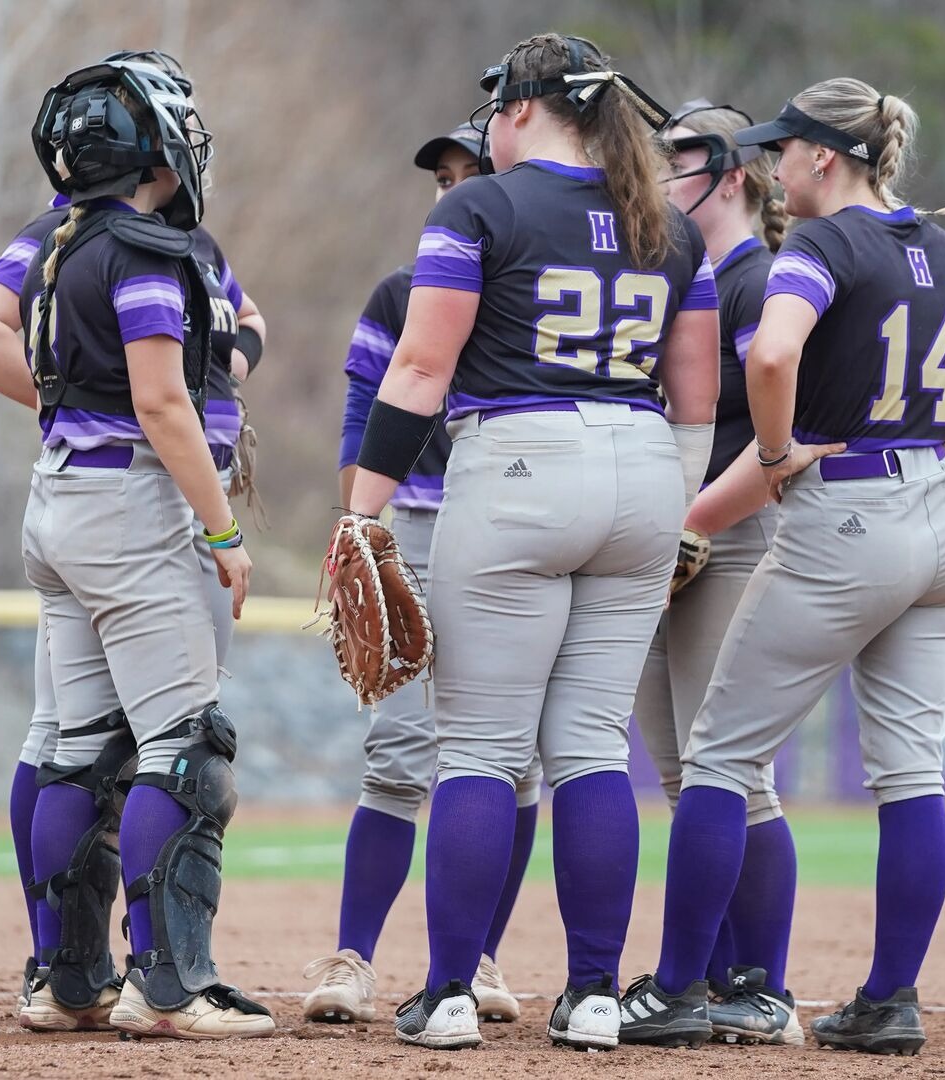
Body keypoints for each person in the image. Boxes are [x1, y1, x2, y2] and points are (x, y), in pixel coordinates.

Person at [618, 77, 945, 1054]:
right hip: (944, 510)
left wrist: (772, 454)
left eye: (785, 150)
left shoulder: (822, 243)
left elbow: (771, 359)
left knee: (718, 756)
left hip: (849, 513)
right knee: (910, 775)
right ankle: (889, 1000)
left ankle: (679, 988)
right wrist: (931, 425)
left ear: (824, 159)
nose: (774, 166)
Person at [340, 33, 718, 1051]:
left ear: (518, 110)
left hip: (517, 462)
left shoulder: (478, 208)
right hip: (643, 467)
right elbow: (697, 396)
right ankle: (595, 995)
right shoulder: (669, 227)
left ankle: (450, 994)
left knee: (479, 747)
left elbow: (420, 370)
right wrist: (675, 511)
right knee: (594, 748)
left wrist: (362, 510)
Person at [0, 51, 266, 1034]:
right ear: (152, 148)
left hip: (62, 497)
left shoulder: (59, 242)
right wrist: (224, 529)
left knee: (71, 745)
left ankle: (66, 977)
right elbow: (164, 402)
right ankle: (170, 987)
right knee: (184, 748)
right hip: (132, 506)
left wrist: (73, 400)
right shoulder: (152, 248)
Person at [301, 122, 540, 1027]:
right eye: (443, 176)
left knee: (510, 763)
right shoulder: (401, 293)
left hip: (509, 522)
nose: (449, 189)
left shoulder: (535, 292)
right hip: (418, 521)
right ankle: (352, 958)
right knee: (397, 753)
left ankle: (477, 958)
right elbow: (364, 411)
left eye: (468, 173)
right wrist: (361, 531)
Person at [632, 99, 804, 1047]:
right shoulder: (681, 276)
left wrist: (701, 520)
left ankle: (762, 986)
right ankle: (716, 977)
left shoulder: (753, 279)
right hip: (672, 542)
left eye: (681, 159)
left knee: (732, 773)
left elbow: (785, 439)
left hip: (729, 539)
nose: (660, 176)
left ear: (731, 174)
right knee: (680, 771)